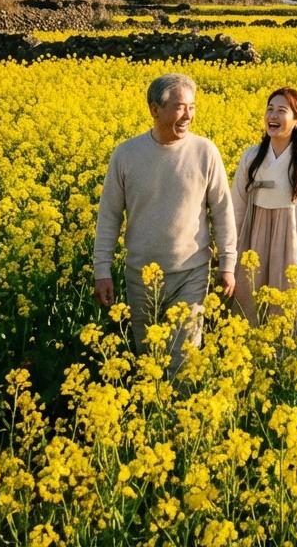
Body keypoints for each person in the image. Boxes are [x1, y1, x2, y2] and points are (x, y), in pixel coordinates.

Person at [93, 73, 237, 379]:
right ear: (154, 109)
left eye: (192, 107)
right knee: (148, 360)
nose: (188, 115)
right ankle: (152, 421)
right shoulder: (126, 155)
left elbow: (223, 211)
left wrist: (228, 263)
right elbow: (109, 216)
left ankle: (180, 423)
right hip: (139, 274)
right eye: (179, 107)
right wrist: (101, 270)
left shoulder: (205, 152)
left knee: (183, 360)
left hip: (190, 272)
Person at [230, 87, 297, 325]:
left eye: (282, 111)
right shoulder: (251, 157)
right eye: (270, 109)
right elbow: (236, 207)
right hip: (254, 239)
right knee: (251, 303)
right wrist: (229, 253)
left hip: (294, 240)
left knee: (289, 305)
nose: (273, 116)